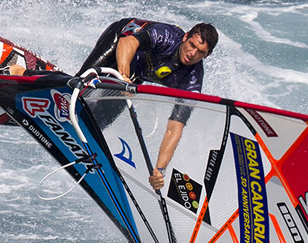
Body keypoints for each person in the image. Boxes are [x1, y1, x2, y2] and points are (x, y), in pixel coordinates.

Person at [77, 18, 219, 191]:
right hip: (120, 42)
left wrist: (160, 170)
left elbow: (175, 128)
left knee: (97, 123)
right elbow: (127, 41)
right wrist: (123, 76)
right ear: (186, 37)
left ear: (207, 55)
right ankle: (59, 90)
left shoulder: (192, 82)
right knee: (80, 84)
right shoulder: (166, 37)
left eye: (200, 52)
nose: (192, 53)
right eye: (192, 45)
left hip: (135, 75)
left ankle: (74, 132)